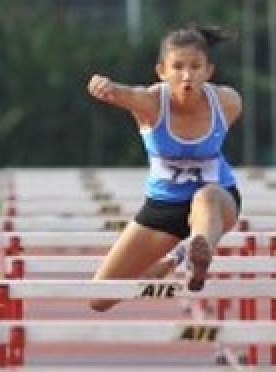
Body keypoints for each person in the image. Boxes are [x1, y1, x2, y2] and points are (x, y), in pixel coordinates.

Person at [85, 24, 242, 310]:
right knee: (99, 298)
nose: (187, 76)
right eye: (178, 67)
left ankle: (197, 255)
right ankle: (175, 259)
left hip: (218, 202)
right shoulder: (150, 103)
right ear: (162, 72)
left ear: (208, 71)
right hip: (163, 207)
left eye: (195, 67)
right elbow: (123, 92)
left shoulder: (227, 102)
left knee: (205, 197)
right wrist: (103, 86)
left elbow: (211, 195)